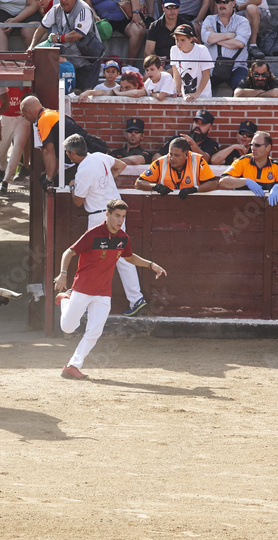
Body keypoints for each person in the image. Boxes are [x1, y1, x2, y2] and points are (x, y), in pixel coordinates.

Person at [53, 198, 166, 380]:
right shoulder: (94, 234)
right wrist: (63, 273)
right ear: (107, 214)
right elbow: (69, 252)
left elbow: (129, 257)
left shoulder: (122, 238)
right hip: (82, 288)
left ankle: (72, 365)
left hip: (103, 293)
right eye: (117, 216)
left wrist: (151, 265)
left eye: (123, 217)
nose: (120, 221)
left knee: (95, 331)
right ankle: (65, 299)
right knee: (68, 328)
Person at [64, 134, 147, 317]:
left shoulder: (83, 171)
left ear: (71, 154)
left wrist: (72, 186)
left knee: (92, 260)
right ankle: (136, 299)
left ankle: (85, 305)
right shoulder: (99, 156)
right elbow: (121, 165)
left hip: (99, 218)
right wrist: (108, 182)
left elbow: (78, 201)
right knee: (123, 257)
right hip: (116, 212)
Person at [29, 0, 104, 90]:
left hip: (87, 60)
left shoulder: (83, 9)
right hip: (70, 61)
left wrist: (58, 38)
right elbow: (41, 28)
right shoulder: (56, 9)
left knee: (85, 94)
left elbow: (77, 34)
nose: (63, 1)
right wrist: (31, 46)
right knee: (71, 93)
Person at [219, 130, 278, 206]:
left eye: (257, 145)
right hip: (241, 209)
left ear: (268, 148)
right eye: (252, 144)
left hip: (265, 211)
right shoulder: (242, 161)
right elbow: (223, 181)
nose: (253, 148)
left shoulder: (275, 166)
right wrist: (246, 181)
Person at [136, 136, 220, 198]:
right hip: (165, 208)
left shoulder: (198, 161)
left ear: (186, 154)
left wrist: (194, 189)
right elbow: (138, 183)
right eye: (171, 154)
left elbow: (213, 183)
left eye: (177, 155)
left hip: (193, 207)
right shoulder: (160, 162)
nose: (172, 158)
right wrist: (155, 186)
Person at [201, 0, 250, 94]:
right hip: (212, 68)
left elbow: (239, 43)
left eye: (225, 1)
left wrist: (216, 38)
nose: (221, 5)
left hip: (237, 67)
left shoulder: (242, 21)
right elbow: (207, 38)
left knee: (242, 91)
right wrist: (230, 35)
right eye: (218, 2)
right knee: (198, 89)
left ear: (234, 2)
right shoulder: (209, 19)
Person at [0, 85, 30, 195]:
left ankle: (5, 181)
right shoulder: (4, 77)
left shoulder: (25, 76)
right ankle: (2, 168)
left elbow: (31, 94)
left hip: (21, 118)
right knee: (0, 151)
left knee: (17, 149)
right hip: (6, 117)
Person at [170, 23, 213, 100]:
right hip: (185, 97)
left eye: (182, 40)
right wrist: (179, 91)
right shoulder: (173, 50)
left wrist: (197, 94)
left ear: (191, 39)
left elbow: (206, 75)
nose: (179, 43)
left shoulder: (202, 50)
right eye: (177, 40)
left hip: (202, 97)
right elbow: (176, 74)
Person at [145, 0, 182, 65]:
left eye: (175, 7)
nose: (172, 11)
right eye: (169, 7)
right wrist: (157, 63)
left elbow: (192, 51)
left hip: (181, 65)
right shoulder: (154, 26)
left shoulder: (186, 25)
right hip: (160, 66)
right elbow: (147, 53)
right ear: (163, 8)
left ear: (179, 8)